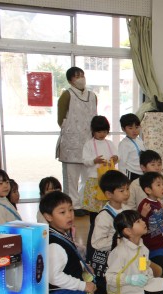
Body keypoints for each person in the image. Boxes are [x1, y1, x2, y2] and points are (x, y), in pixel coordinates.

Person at [40, 191, 117, 294]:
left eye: (71, 210)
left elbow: (68, 256)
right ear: (48, 216)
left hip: (70, 285)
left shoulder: (59, 233)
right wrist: (83, 286)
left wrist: (83, 266)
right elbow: (54, 277)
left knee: (104, 289)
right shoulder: (54, 244)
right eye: (62, 212)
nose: (69, 215)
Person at [106, 210, 163, 294]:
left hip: (140, 287)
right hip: (124, 291)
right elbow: (109, 277)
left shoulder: (142, 247)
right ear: (128, 231)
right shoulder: (120, 252)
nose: (143, 222)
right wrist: (129, 279)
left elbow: (143, 267)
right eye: (138, 221)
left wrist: (148, 277)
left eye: (141, 219)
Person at [57, 66, 97, 216]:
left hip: (88, 142)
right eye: (76, 76)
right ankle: (73, 205)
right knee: (71, 178)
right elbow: (61, 119)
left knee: (88, 176)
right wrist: (72, 131)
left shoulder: (92, 95)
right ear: (70, 80)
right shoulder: (66, 95)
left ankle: (86, 203)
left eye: (82, 75)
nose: (81, 78)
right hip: (71, 144)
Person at [86, 170, 130, 281]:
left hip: (126, 254)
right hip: (111, 260)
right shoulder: (104, 216)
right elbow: (97, 243)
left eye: (127, 189)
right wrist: (118, 240)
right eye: (122, 190)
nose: (126, 193)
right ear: (109, 194)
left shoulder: (127, 209)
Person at [81, 115, 118, 223]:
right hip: (94, 180)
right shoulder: (88, 144)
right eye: (99, 132)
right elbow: (85, 160)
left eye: (105, 131)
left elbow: (117, 156)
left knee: (108, 205)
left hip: (108, 180)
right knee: (95, 208)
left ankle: (108, 224)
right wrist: (94, 161)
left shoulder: (110, 143)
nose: (102, 134)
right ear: (93, 131)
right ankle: (94, 226)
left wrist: (115, 158)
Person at [124, 149, 163, 221]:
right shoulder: (135, 185)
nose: (157, 168)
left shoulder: (161, 183)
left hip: (159, 220)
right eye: (153, 164)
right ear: (143, 167)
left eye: (159, 164)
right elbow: (130, 208)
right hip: (141, 221)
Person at [118, 113, 146, 181]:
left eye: (137, 127)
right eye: (130, 128)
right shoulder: (124, 144)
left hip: (142, 173)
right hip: (131, 174)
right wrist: (123, 179)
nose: (134, 131)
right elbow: (122, 163)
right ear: (123, 129)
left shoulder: (139, 140)